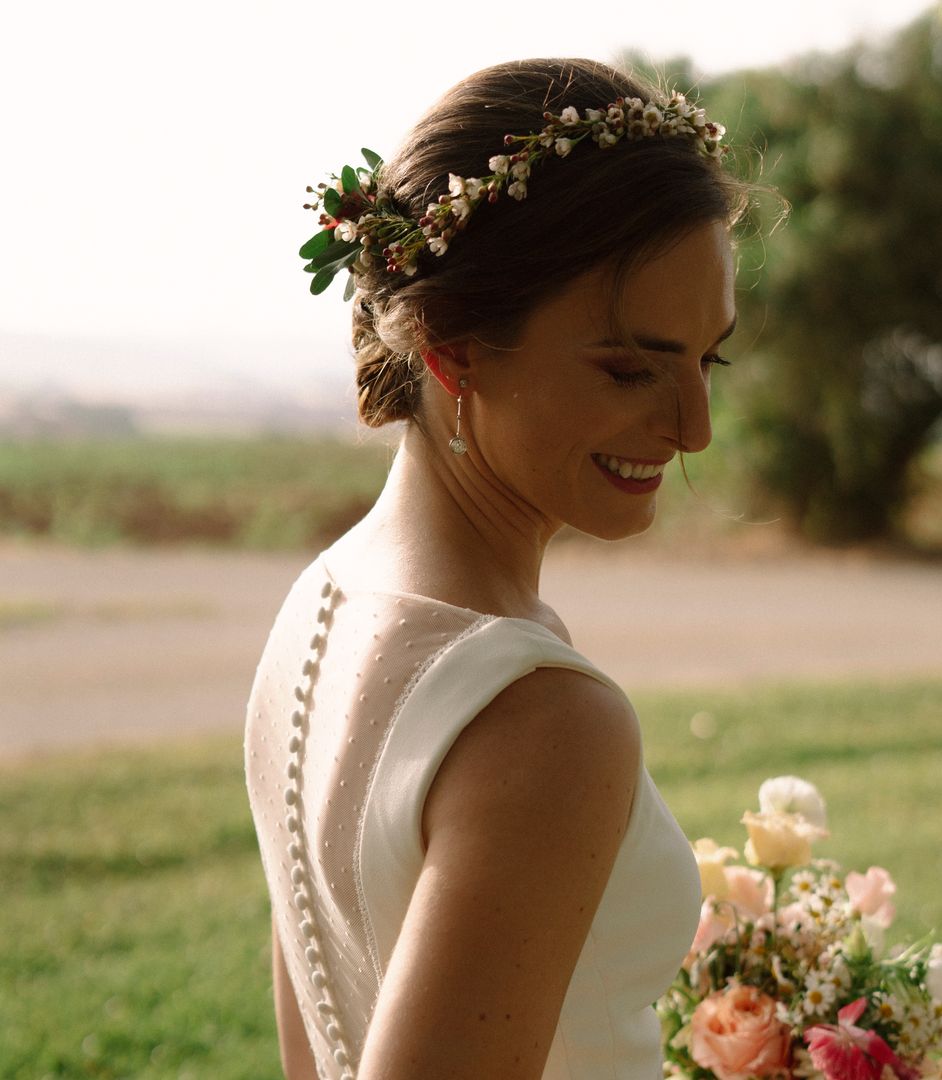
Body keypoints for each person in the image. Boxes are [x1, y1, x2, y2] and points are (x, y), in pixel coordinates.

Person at [244, 57, 748, 1079]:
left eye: (710, 360)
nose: (694, 427)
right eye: (629, 367)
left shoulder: (320, 602)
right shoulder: (546, 725)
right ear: (453, 347)